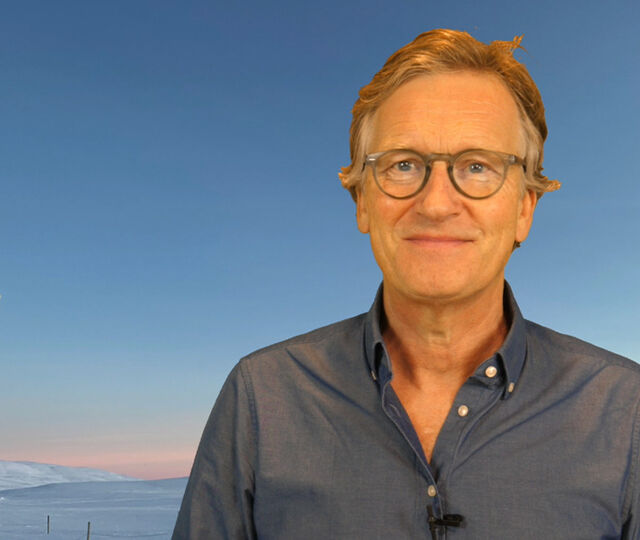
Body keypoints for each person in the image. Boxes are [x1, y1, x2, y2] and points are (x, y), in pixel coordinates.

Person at [173, 29, 639, 539]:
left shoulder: (625, 409)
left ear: (525, 208)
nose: (436, 204)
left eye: (477, 166)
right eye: (403, 165)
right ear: (362, 202)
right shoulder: (262, 397)